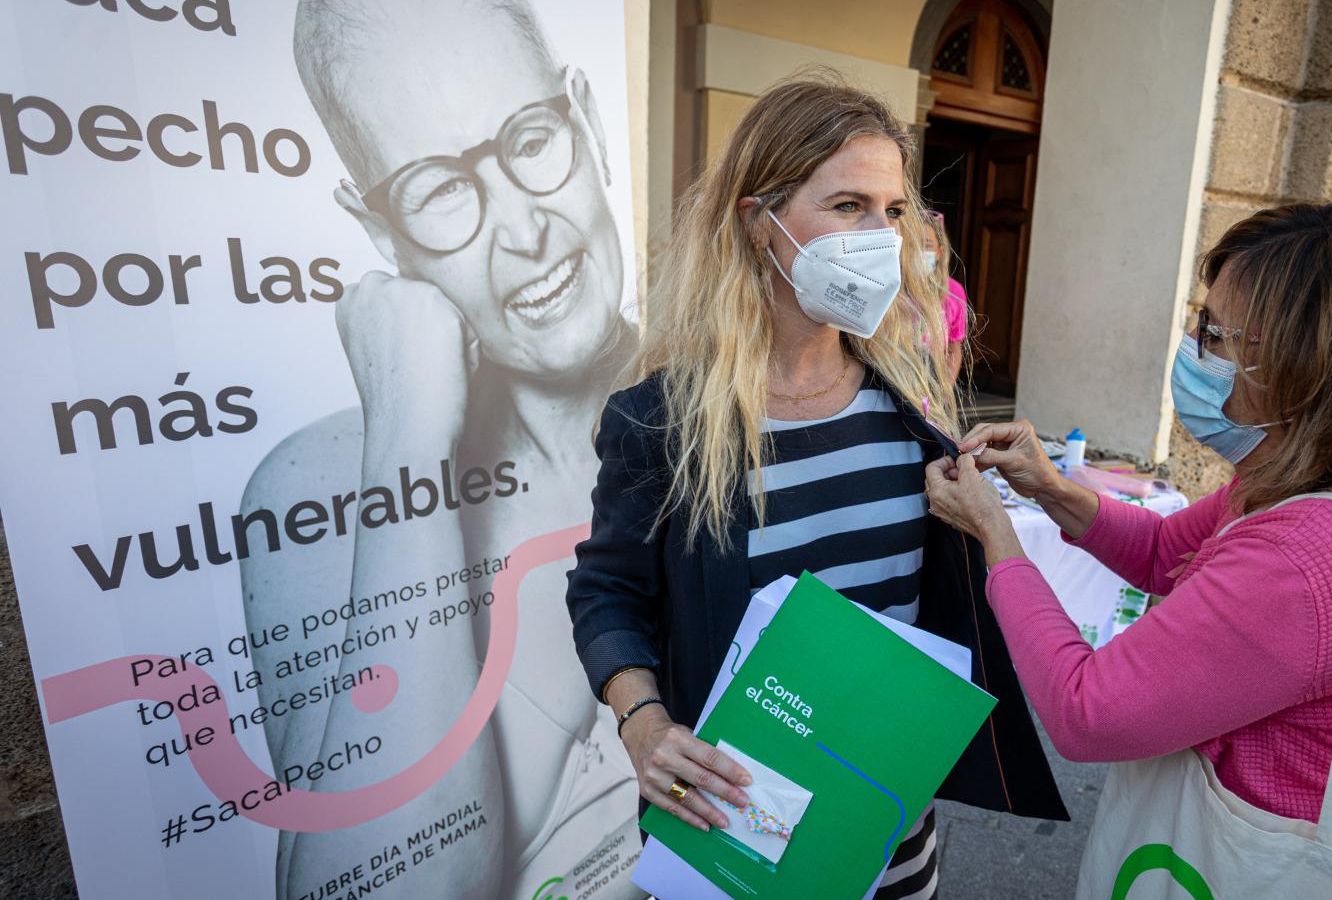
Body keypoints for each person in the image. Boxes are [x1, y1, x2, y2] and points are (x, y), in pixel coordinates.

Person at [565, 74, 1068, 900]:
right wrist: (643, 723)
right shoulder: (662, 422)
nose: (880, 237)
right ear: (757, 220)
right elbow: (606, 593)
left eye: (893, 210)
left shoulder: (910, 405)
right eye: (847, 206)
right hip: (731, 828)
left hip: (891, 836)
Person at [924, 202, 1332, 899]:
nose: (1192, 350)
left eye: (1215, 334)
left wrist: (997, 538)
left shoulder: (1304, 556)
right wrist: (1050, 488)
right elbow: (1163, 551)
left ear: (1309, 365)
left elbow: (1087, 711)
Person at [239, 2, 641, 898]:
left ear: (587, 119)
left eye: (531, 140)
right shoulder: (317, 482)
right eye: (440, 190)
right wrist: (408, 445)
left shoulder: (704, 399)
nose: (525, 233)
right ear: (381, 230)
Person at [920, 210, 968, 380]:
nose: (918, 251)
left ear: (939, 252)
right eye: (913, 244)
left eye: (926, 245)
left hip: (932, 385)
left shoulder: (953, 291)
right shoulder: (892, 288)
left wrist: (945, 388)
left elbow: (954, 349)